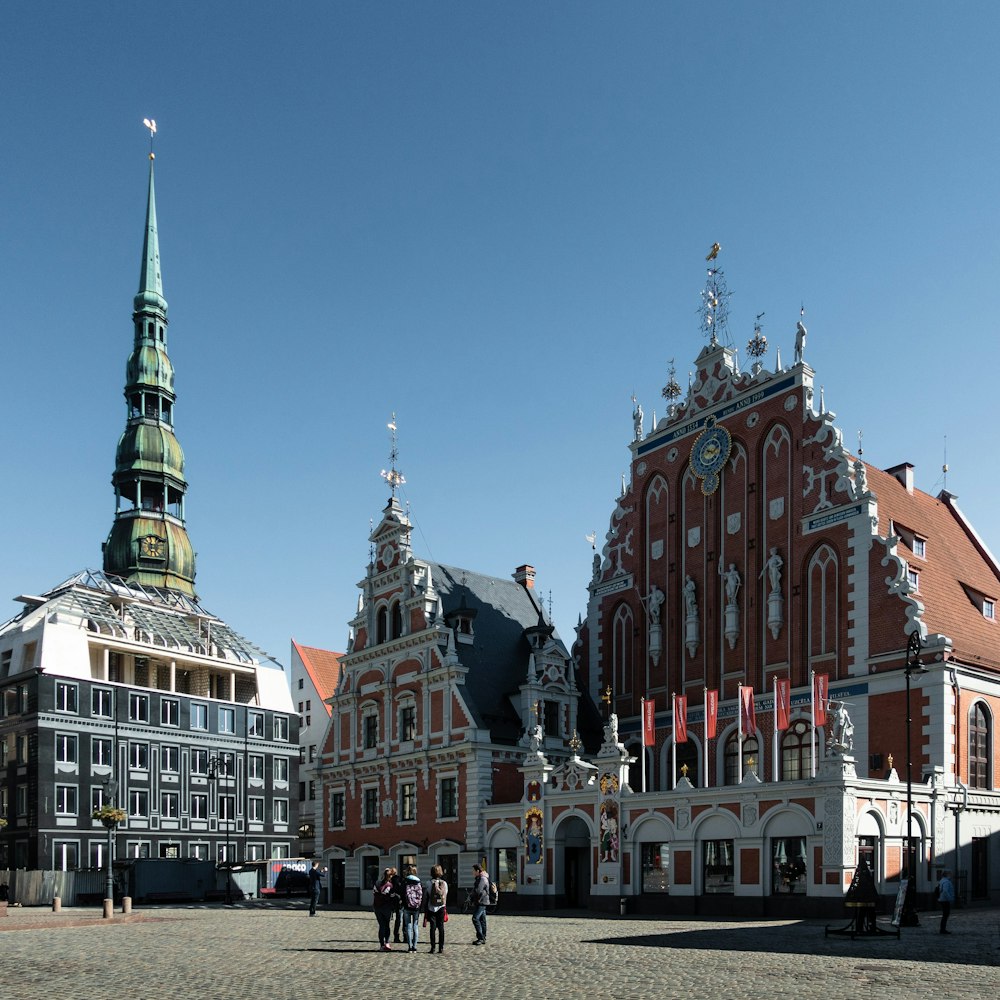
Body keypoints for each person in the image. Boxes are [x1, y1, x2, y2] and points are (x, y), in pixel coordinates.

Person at [373, 867, 399, 951]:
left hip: (377, 907)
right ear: (390, 876)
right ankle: (387, 943)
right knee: (386, 925)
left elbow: (374, 893)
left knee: (381, 926)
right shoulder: (390, 886)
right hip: (387, 907)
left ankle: (381, 945)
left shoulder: (377, 883)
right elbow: (392, 897)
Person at [400, 864, 424, 953]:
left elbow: (402, 894)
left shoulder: (405, 881)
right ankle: (415, 946)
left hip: (407, 907)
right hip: (416, 908)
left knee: (408, 926)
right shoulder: (419, 882)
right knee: (415, 926)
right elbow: (422, 895)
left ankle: (409, 946)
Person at [425, 864, 448, 954]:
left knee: (432, 928)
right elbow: (445, 894)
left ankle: (433, 947)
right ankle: (441, 948)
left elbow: (427, 895)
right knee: (441, 927)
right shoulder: (444, 883)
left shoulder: (428, 883)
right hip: (441, 907)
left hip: (431, 907)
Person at [470, 863, 489, 945]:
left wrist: (473, 897)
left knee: (475, 918)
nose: (472, 872)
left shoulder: (482, 879)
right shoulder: (481, 878)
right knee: (482, 920)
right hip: (482, 901)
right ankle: (483, 937)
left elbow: (478, 891)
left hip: (481, 901)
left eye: (473, 871)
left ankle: (480, 938)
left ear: (477, 871)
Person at [938, 869, 955, 934]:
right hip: (945, 900)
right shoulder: (946, 882)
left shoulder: (942, 881)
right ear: (947, 874)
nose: (951, 875)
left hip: (942, 899)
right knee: (945, 915)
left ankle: (942, 929)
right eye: (950, 874)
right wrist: (950, 898)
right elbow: (945, 891)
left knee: (945, 915)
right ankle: (942, 929)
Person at [391, 866, 405, 943]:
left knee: (398, 920)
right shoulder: (400, 879)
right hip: (401, 902)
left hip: (396, 902)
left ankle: (396, 936)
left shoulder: (391, 881)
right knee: (403, 919)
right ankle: (405, 937)